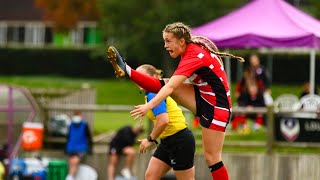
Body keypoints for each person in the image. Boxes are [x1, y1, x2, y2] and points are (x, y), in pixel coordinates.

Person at [107, 22, 244, 180]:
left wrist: (149, 106)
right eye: (164, 41)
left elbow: (170, 88)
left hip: (217, 107)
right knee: (165, 84)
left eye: (168, 41)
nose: (165, 45)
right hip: (204, 96)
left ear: (181, 41)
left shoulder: (193, 55)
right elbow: (170, 86)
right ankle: (127, 70)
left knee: (212, 158)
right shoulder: (190, 51)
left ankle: (128, 70)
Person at [136, 64, 196, 180]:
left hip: (179, 140)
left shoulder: (153, 93)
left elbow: (163, 120)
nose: (139, 80)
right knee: (151, 176)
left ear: (154, 77)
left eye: (142, 77)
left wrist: (150, 139)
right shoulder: (151, 93)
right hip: (167, 141)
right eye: (137, 77)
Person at [65, 111, 93, 180]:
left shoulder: (84, 125)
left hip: (81, 148)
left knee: (75, 162)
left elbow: (89, 137)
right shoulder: (70, 125)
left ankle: (69, 177)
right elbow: (68, 137)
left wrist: (90, 148)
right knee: (72, 164)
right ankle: (71, 176)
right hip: (71, 147)